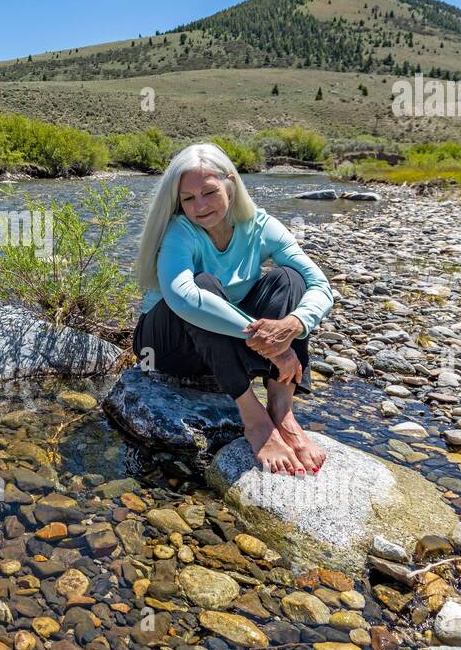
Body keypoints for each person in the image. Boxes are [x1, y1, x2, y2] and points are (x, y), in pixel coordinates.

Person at [132, 143, 335, 475]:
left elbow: (320, 285)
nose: (200, 206)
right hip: (164, 347)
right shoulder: (179, 232)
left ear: (230, 183)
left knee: (290, 279)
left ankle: (282, 409)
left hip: (221, 346)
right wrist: (269, 344)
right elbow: (184, 297)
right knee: (203, 286)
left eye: (209, 192)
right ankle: (254, 420)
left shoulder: (261, 226)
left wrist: (295, 324)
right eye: (188, 198)